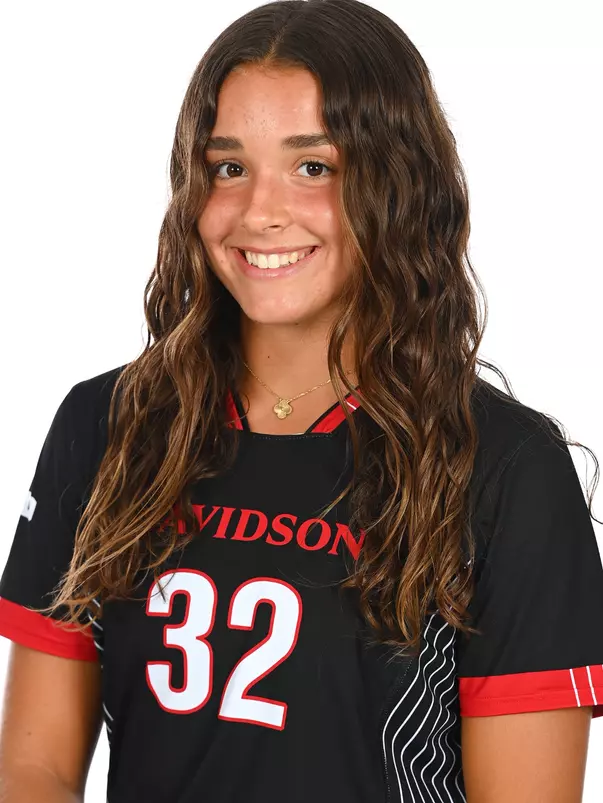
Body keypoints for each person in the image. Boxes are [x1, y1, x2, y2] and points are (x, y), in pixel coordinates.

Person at [1, 1, 602, 801]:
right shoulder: (108, 425)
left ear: (396, 184)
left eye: (313, 166)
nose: (260, 212)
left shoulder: (503, 467)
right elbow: (32, 767)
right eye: (228, 167)